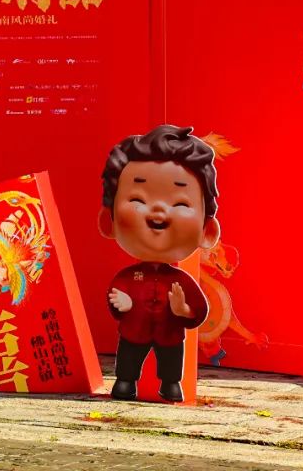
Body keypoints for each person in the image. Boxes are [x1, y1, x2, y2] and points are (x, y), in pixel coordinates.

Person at [99, 125, 221, 402]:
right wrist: (121, 305)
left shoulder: (181, 281)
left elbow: (199, 310)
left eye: (180, 203)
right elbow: (115, 295)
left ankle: (171, 384)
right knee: (129, 355)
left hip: (170, 332)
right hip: (134, 330)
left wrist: (184, 310)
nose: (158, 211)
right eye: (138, 199)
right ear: (109, 222)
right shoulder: (129, 276)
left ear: (207, 231)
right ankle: (125, 382)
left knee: (171, 357)